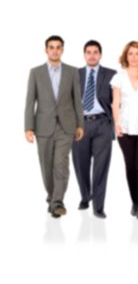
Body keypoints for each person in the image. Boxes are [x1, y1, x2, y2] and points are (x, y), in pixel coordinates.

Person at [24, 35, 84, 218]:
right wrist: (28, 127)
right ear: (46, 50)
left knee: (61, 164)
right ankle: (52, 198)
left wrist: (80, 124)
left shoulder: (72, 72)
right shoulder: (35, 72)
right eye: (51, 47)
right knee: (46, 165)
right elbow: (30, 101)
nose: (55, 50)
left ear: (62, 50)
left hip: (66, 126)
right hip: (42, 126)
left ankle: (58, 202)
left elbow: (77, 101)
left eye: (58, 47)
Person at [72, 40, 117, 219]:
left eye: (95, 52)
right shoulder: (75, 74)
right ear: (84, 55)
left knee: (101, 167)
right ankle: (85, 196)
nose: (92, 55)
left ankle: (98, 206)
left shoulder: (111, 74)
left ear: (100, 54)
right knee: (80, 164)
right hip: (79, 124)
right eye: (88, 52)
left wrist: (116, 125)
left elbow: (118, 102)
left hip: (102, 124)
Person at [111, 41, 138, 221]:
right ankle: (135, 201)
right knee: (130, 167)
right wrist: (117, 123)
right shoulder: (119, 77)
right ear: (125, 57)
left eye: (137, 53)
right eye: (130, 54)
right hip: (125, 128)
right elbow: (115, 103)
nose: (134, 57)